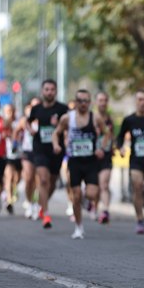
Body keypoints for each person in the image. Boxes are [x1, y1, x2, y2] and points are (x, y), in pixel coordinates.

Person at [53, 89, 110, 239]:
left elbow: (107, 133)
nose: (83, 104)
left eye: (86, 101)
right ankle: (78, 227)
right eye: (80, 101)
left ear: (90, 102)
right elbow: (56, 133)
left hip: (91, 161)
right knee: (76, 195)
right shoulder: (67, 118)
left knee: (91, 194)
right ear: (75, 102)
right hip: (75, 161)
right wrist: (56, 145)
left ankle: (85, 202)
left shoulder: (95, 117)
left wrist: (101, 148)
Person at [26, 79, 69, 229]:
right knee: (43, 180)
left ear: (56, 91)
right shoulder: (36, 109)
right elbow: (28, 121)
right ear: (42, 91)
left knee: (52, 182)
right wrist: (31, 130)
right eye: (47, 89)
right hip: (40, 149)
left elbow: (69, 126)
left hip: (56, 150)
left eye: (52, 89)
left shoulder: (62, 108)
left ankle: (41, 204)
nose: (49, 92)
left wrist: (59, 126)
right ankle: (46, 214)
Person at [117, 89, 144, 234]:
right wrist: (121, 148)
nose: (142, 103)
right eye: (140, 99)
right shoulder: (129, 120)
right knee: (137, 186)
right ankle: (140, 219)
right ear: (136, 101)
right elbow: (120, 136)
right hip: (136, 161)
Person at [19, 97, 41, 219]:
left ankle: (36, 203)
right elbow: (16, 132)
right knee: (28, 178)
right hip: (27, 151)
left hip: (40, 151)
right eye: (33, 106)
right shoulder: (25, 120)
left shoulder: (44, 118)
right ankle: (29, 202)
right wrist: (16, 143)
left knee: (39, 179)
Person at [94, 91, 114, 224]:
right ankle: (94, 206)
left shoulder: (110, 119)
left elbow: (112, 136)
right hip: (92, 157)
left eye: (105, 100)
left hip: (106, 156)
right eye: (100, 100)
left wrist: (115, 147)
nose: (103, 103)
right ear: (96, 102)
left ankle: (105, 211)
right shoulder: (91, 118)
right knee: (94, 188)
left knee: (104, 185)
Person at [3, 103, 22, 214]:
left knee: (17, 178)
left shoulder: (19, 122)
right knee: (9, 176)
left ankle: (14, 189)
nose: (9, 113)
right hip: (8, 154)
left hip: (19, 154)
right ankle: (9, 200)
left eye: (11, 111)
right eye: (7, 111)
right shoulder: (4, 123)